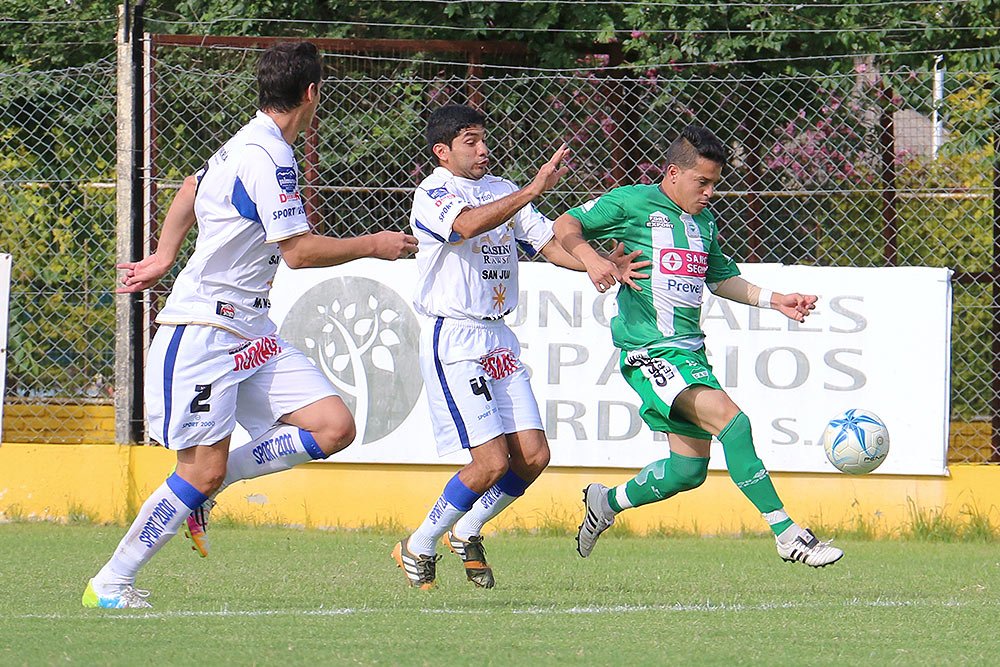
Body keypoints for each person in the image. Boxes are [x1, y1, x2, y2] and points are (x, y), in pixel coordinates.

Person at [83, 41, 418, 609]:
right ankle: (111, 583)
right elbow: (298, 252)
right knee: (199, 471)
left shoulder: (244, 142)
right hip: (205, 331)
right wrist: (374, 244)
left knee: (333, 426)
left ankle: (208, 493)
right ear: (312, 93)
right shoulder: (269, 156)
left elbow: (190, 188)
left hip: (252, 331)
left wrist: (164, 256)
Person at [553, 124, 844, 568]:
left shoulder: (704, 222)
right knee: (734, 423)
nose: (710, 193)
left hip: (690, 353)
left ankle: (605, 502)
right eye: (702, 182)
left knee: (687, 472)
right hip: (650, 351)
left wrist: (776, 300)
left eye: (715, 184)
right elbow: (565, 223)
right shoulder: (632, 202)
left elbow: (721, 279)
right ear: (673, 173)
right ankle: (788, 534)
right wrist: (593, 259)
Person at [392, 104, 647, 589]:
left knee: (532, 456)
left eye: (484, 139)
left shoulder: (501, 189)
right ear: (442, 151)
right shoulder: (433, 192)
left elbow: (549, 245)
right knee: (490, 462)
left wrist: (598, 263)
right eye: (470, 142)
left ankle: (467, 530)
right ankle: (418, 543)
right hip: (456, 335)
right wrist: (532, 190)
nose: (483, 149)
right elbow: (466, 227)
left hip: (498, 337)